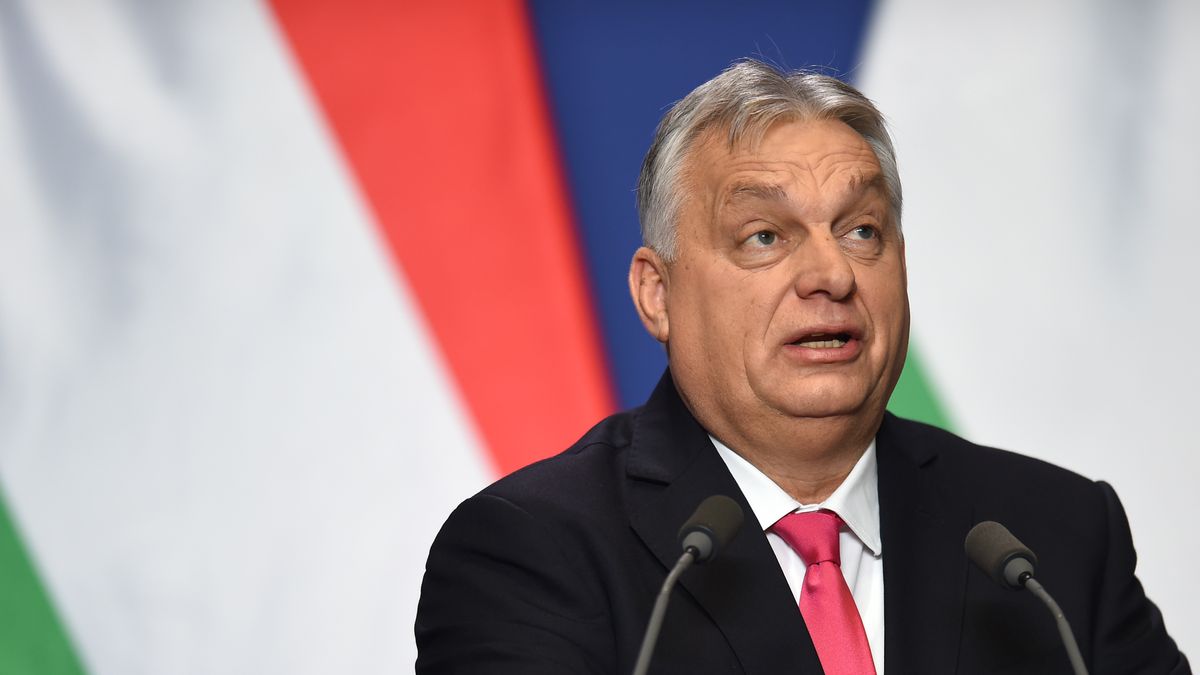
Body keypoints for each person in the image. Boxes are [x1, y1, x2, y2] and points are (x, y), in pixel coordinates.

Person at [414, 60, 1189, 674]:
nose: (832, 274)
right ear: (658, 294)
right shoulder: (531, 553)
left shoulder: (1050, 539)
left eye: (860, 230)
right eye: (764, 236)